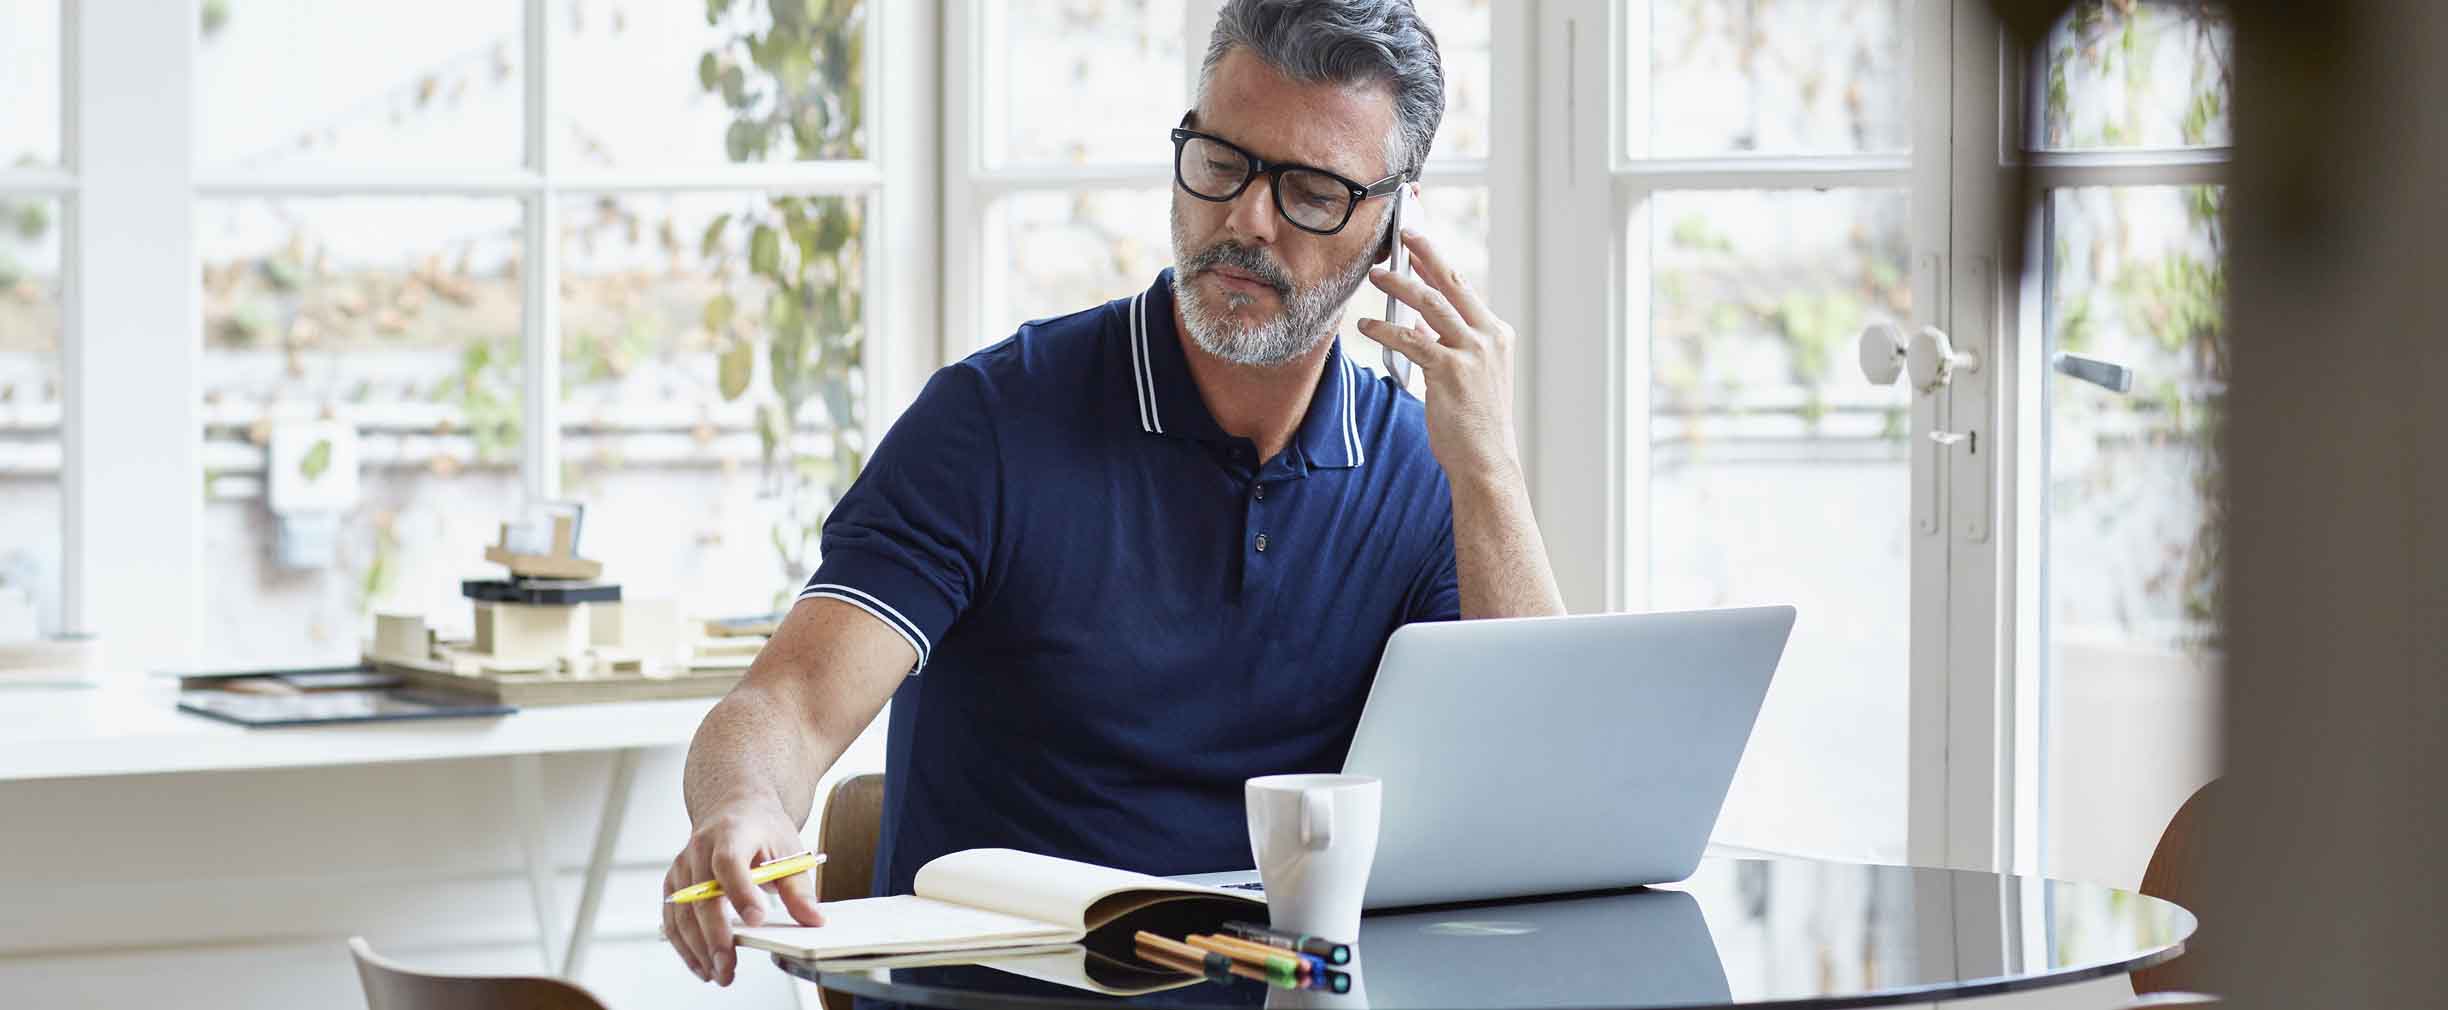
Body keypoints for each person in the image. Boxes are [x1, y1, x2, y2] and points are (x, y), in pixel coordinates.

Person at [661, 0, 1562, 986]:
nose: (1245, 220)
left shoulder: (1428, 469)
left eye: (1310, 190)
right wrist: (739, 806)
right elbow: (787, 701)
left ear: (1392, 223)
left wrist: (1489, 465)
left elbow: (1536, 797)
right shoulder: (994, 422)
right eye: (1221, 160)